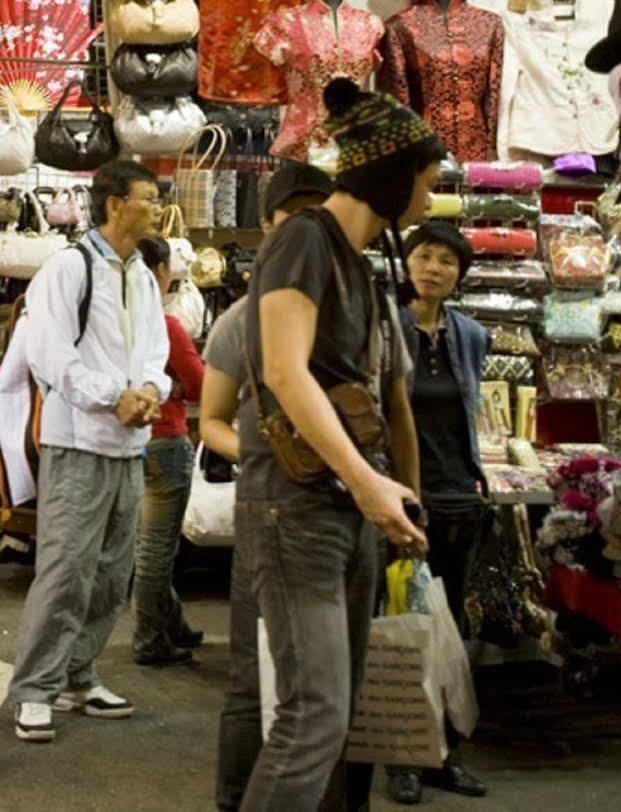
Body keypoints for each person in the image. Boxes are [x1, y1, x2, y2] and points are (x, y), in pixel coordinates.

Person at [236, 79, 435, 810]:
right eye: (426, 180)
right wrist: (364, 479)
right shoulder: (302, 238)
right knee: (312, 715)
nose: (429, 198)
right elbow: (286, 371)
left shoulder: (360, 258)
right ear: (390, 175)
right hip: (297, 508)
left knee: (331, 710)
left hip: (337, 506)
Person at [8, 158, 172, 743]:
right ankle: (34, 688)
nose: (155, 208)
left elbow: (155, 351)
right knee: (65, 570)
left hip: (129, 444)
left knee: (112, 571)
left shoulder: (143, 275)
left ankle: (80, 673)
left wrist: (151, 390)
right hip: (77, 440)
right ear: (113, 205)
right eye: (147, 199)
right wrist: (112, 397)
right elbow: (49, 354)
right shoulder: (67, 268)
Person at [199, 161, 335, 812]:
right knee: (254, 683)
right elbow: (211, 423)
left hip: (337, 515)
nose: (305, 229)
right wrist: (268, 454)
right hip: (269, 509)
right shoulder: (239, 322)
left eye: (319, 212)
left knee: (322, 689)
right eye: (291, 215)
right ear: (264, 226)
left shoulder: (350, 302)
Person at [387, 222, 491, 805]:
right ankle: (402, 755)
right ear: (406, 264)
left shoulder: (471, 335)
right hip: (402, 500)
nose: (434, 268)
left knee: (452, 631)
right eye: (424, 256)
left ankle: (446, 754)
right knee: (403, 629)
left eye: (447, 261)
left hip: (459, 497)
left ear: (459, 274)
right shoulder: (386, 328)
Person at [131, 234, 208, 667]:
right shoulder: (167, 327)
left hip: (129, 444)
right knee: (156, 551)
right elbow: (201, 386)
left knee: (148, 544)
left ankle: (173, 623)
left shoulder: (114, 325)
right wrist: (177, 385)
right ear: (160, 272)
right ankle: (148, 639)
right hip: (165, 442)